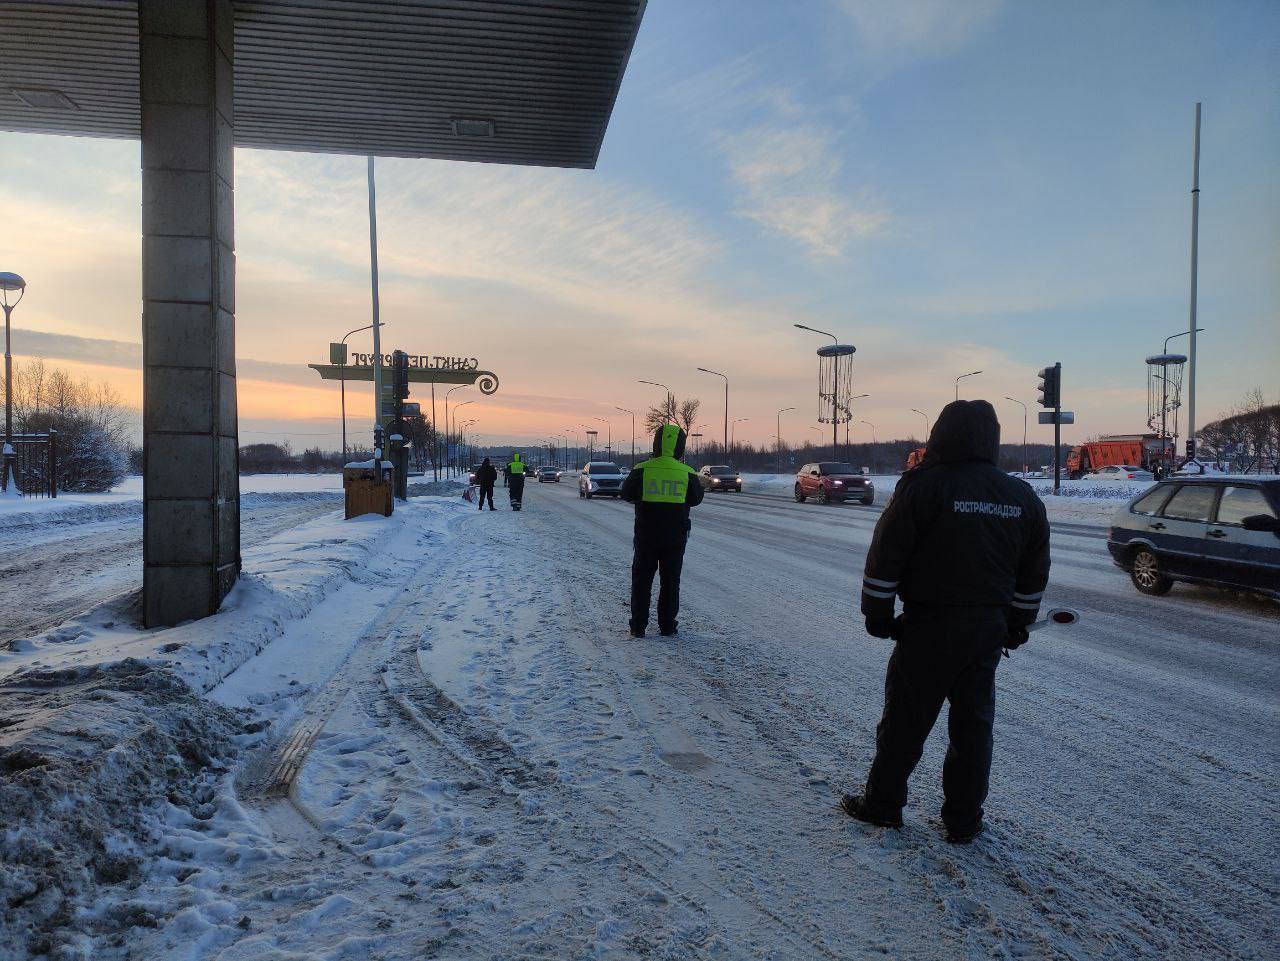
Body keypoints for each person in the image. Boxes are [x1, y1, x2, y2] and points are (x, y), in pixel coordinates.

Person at [841, 399, 1050, 844]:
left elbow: (886, 554)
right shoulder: (1020, 497)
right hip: (986, 632)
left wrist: (878, 615)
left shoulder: (924, 487)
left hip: (928, 628)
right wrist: (1018, 622)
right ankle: (963, 821)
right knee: (973, 729)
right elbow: (1034, 572)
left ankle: (883, 806)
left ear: (941, 435)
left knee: (905, 721)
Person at [620, 423, 704, 638]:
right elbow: (696, 499)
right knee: (670, 582)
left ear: (656, 444)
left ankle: (638, 626)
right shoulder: (687, 472)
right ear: (680, 447)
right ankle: (667, 626)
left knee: (642, 580)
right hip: (675, 537)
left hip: (646, 535)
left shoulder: (642, 469)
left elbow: (626, 494)